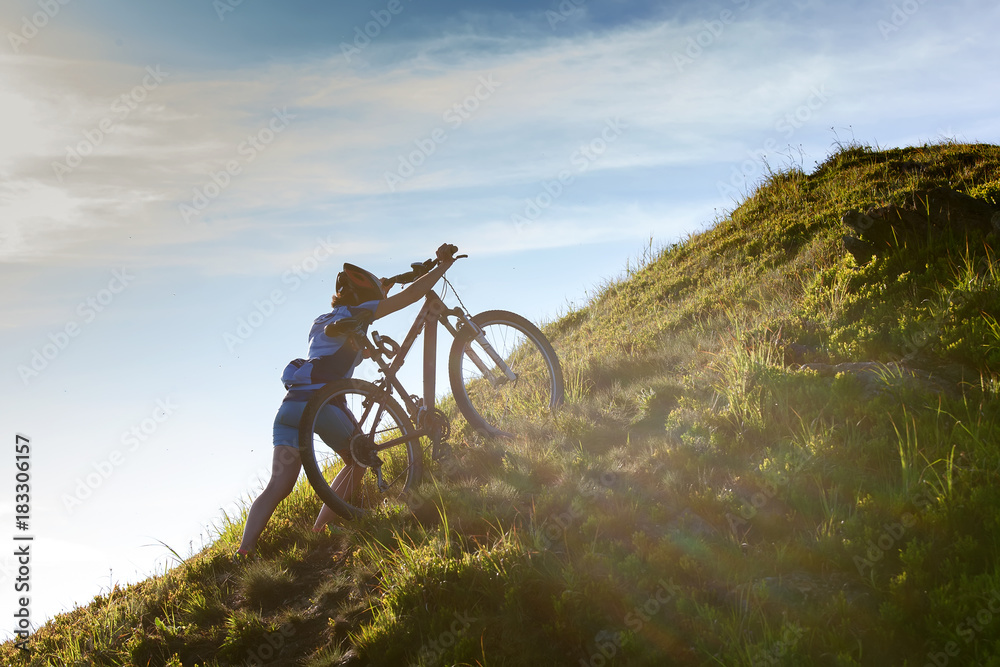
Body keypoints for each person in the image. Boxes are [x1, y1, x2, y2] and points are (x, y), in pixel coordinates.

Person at [236, 243, 458, 557]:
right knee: (359, 460)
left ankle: (244, 551)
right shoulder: (358, 313)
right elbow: (410, 297)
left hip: (289, 408)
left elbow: (359, 324)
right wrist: (442, 267)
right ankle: (321, 527)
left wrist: (392, 280)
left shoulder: (323, 320)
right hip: (322, 405)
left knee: (277, 486)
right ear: (361, 297)